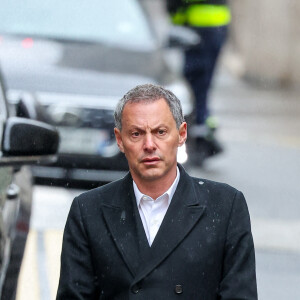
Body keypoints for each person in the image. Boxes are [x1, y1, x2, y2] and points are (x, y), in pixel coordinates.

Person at [56, 84, 257, 299]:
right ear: (119, 140)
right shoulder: (88, 210)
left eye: (160, 132)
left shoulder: (226, 206)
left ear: (181, 134)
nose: (149, 144)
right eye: (136, 134)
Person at [166, 0, 231, 164]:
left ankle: (198, 133)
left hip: (198, 26)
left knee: (194, 84)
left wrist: (174, 12)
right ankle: (201, 128)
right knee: (202, 84)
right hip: (216, 24)